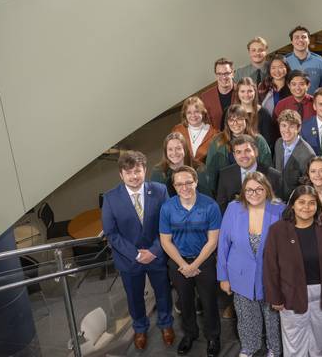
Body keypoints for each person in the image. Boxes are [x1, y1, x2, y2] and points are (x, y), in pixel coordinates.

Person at [101, 150, 174, 350]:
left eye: (138, 171)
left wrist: (155, 250)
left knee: (163, 293)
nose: (134, 176)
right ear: (121, 175)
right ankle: (140, 328)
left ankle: (166, 324)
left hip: (156, 254)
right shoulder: (110, 198)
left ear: (145, 170)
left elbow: (168, 225)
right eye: (129, 172)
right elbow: (111, 233)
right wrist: (136, 254)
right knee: (134, 297)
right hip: (129, 259)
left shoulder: (159, 191)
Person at [263, 185, 322, 356]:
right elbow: (271, 268)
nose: (306, 207)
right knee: (294, 346)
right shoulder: (278, 230)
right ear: (292, 205)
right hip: (291, 294)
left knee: (321, 343)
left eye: (311, 203)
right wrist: (276, 298)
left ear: (317, 206)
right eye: (301, 202)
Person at [217, 172, 285, 357]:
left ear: (267, 190)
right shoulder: (233, 208)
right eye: (249, 190)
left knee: (273, 316)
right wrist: (223, 277)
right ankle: (249, 346)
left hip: (271, 276)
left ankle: (275, 348)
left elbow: (287, 246)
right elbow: (223, 244)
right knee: (245, 315)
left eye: (259, 189)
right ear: (243, 192)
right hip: (240, 275)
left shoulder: (279, 209)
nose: (254, 193)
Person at [159, 165, 222, 356]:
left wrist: (194, 265)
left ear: (196, 182)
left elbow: (213, 241)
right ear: (174, 186)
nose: (184, 187)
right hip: (178, 263)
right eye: (179, 184)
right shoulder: (167, 207)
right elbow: (165, 241)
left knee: (209, 301)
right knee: (185, 301)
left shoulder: (210, 205)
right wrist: (183, 265)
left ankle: (213, 337)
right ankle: (190, 334)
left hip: (204, 261)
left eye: (188, 182)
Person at [204, 104, 272, 196]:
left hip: (256, 191)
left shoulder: (259, 140)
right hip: (227, 192)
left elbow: (267, 168)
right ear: (227, 122)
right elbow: (211, 172)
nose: (235, 123)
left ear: (246, 120)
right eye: (231, 120)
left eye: (239, 119)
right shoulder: (217, 141)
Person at [217, 134, 281, 213]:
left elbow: (277, 206)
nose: (243, 155)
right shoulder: (225, 174)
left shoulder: (273, 176)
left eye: (247, 151)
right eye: (238, 152)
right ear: (234, 155)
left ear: (256, 152)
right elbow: (222, 205)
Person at [274, 109, 316, 200]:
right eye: (283, 125)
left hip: (295, 202)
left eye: (291, 126)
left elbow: (307, 186)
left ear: (299, 128)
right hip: (277, 199)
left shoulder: (308, 154)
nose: (286, 130)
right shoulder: (278, 143)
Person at [150, 132, 209, 197]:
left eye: (178, 148)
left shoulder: (200, 170)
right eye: (170, 149)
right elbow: (155, 199)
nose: (174, 153)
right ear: (165, 152)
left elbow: (207, 198)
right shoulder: (158, 172)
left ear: (185, 149)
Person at [285, 25, 322, 93]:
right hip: (289, 103)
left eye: (304, 37)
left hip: (313, 103)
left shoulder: (321, 63)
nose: (300, 40)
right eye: (296, 37)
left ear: (309, 40)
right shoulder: (284, 62)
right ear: (292, 42)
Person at [171, 96, 218, 163]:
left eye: (196, 112)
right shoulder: (177, 130)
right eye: (189, 112)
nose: (193, 115)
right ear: (185, 115)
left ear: (202, 112)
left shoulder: (214, 134)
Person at [236, 77, 276, 149]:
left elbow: (268, 143)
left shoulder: (264, 113)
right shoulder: (230, 112)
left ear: (255, 92)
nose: (246, 95)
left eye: (250, 91)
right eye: (242, 91)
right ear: (237, 93)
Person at [201, 58, 236, 130]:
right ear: (216, 75)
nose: (223, 77)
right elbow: (205, 124)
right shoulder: (206, 97)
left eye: (226, 73)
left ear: (232, 73)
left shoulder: (243, 92)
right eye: (219, 74)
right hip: (217, 139)